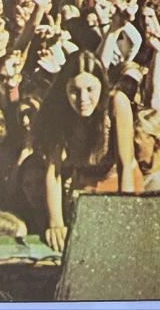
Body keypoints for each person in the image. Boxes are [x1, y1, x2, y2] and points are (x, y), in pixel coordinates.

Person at [36, 50, 140, 252]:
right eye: (74, 91)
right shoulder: (58, 110)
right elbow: (53, 171)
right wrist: (56, 222)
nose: (83, 98)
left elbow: (125, 165)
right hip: (84, 185)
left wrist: (126, 214)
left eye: (90, 89)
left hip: (120, 182)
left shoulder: (116, 103)